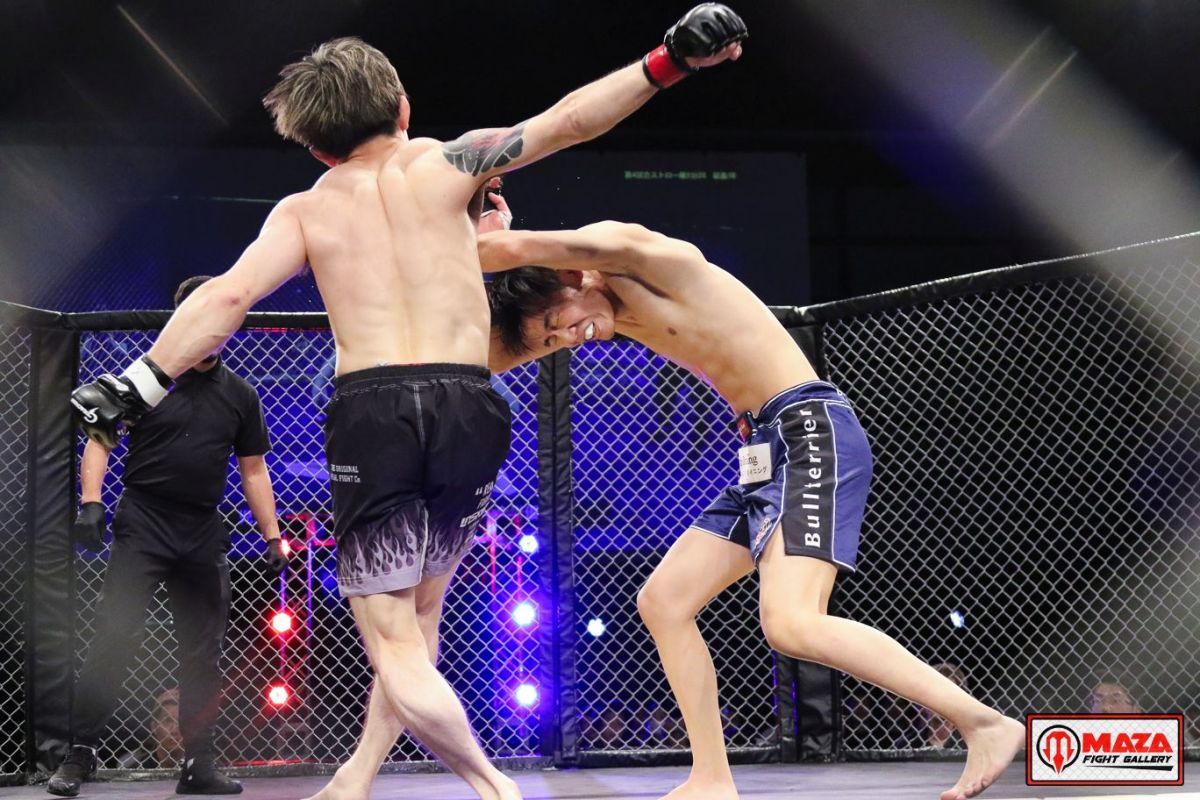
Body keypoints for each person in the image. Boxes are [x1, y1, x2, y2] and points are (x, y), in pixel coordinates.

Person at [68, 10, 747, 800]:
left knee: (392, 639)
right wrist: (667, 61)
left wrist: (140, 382)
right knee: (420, 620)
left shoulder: (307, 209)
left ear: (317, 147)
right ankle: (356, 778)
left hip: (375, 410)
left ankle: (493, 786)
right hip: (471, 403)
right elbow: (568, 121)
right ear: (401, 108)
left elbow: (225, 298)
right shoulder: (449, 162)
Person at [480, 221, 1026, 800]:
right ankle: (712, 778)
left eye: (556, 321)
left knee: (792, 623)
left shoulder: (652, 262)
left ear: (570, 274)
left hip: (809, 430)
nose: (567, 338)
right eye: (550, 340)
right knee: (664, 602)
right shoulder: (605, 314)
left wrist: (447, 230)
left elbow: (520, 250)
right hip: (765, 450)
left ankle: (981, 722)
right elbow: (488, 355)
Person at [50, 276, 287, 797]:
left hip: (201, 527)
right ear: (182, 319)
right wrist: (91, 502)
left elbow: (253, 468)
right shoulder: (144, 381)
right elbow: (99, 440)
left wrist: (272, 535)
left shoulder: (240, 394)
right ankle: (80, 753)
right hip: (144, 521)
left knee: (203, 652)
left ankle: (198, 763)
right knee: (114, 637)